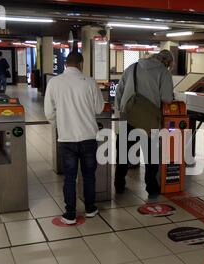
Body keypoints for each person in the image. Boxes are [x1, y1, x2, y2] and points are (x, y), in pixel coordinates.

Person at [44, 51, 104, 225]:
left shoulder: (54, 82)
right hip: (88, 137)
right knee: (88, 175)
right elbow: (99, 108)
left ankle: (70, 214)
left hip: (67, 139)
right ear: (81, 64)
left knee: (69, 177)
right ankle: (90, 208)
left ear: (65, 64)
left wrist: (60, 126)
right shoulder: (90, 82)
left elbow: (49, 112)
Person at [114, 50, 174, 198]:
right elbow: (166, 98)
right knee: (151, 156)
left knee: (123, 152)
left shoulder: (132, 67)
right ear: (165, 62)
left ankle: (119, 184)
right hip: (149, 119)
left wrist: (120, 113)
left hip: (128, 116)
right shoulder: (164, 73)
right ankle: (152, 188)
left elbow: (119, 91)